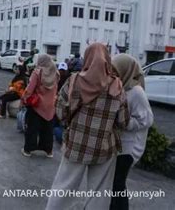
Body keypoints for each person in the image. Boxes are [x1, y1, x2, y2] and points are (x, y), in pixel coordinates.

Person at [46, 43, 129, 210]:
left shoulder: (73, 81)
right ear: (107, 59)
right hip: (104, 147)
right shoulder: (117, 86)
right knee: (99, 192)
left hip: (76, 144)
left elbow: (61, 112)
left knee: (64, 187)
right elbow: (123, 121)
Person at [110, 54, 154, 210]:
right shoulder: (120, 86)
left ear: (125, 70)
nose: (112, 73)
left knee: (118, 183)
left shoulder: (136, 92)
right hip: (119, 143)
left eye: (115, 70)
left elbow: (147, 119)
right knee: (114, 184)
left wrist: (124, 123)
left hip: (130, 146)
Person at [21, 54, 59, 157]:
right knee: (48, 129)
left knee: (32, 128)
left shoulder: (37, 72)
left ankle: (28, 150)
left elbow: (29, 89)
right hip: (50, 105)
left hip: (37, 105)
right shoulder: (56, 73)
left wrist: (24, 99)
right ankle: (48, 151)